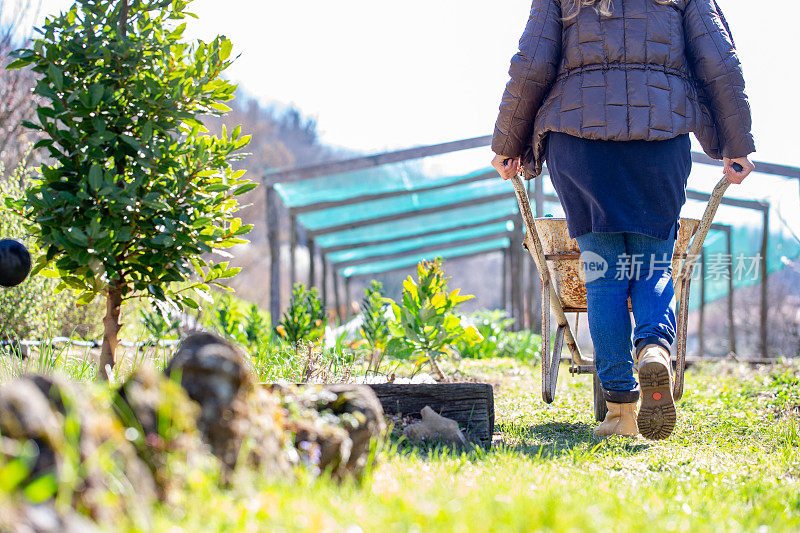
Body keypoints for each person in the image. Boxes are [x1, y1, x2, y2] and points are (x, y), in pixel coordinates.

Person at [490, 0, 756, 440]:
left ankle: (620, 414)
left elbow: (532, 64)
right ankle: (653, 348)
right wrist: (736, 145)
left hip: (579, 141)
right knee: (652, 266)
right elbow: (719, 60)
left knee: (604, 276)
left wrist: (508, 142)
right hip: (660, 134)